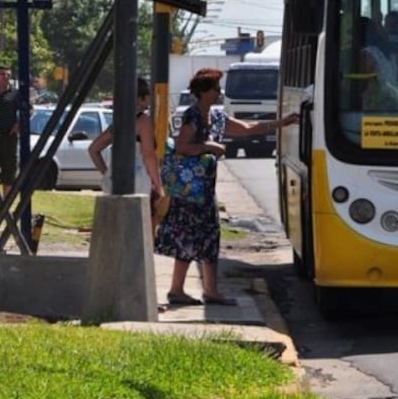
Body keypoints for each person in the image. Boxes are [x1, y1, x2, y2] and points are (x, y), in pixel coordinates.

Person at [155, 68, 299, 306]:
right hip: (190, 192)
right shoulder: (193, 116)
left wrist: (282, 122)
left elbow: (248, 128)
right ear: (202, 92)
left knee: (207, 238)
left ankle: (203, 291)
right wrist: (209, 146)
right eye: (215, 89)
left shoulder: (217, 117)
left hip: (204, 191)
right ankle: (184, 290)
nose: (219, 93)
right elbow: (182, 146)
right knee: (190, 239)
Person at [87, 77, 167, 236]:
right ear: (140, 97)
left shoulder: (117, 122)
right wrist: (158, 185)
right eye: (148, 94)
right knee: (142, 229)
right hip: (139, 181)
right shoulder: (143, 120)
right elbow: (149, 154)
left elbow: (93, 149)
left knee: (116, 230)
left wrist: (106, 172)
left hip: (114, 180)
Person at [0, 66, 19, 197]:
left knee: (9, 171)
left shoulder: (15, 93)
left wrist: (19, 124)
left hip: (8, 138)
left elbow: (28, 110)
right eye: (2, 74)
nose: (5, 77)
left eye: (8, 75)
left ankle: (6, 204)